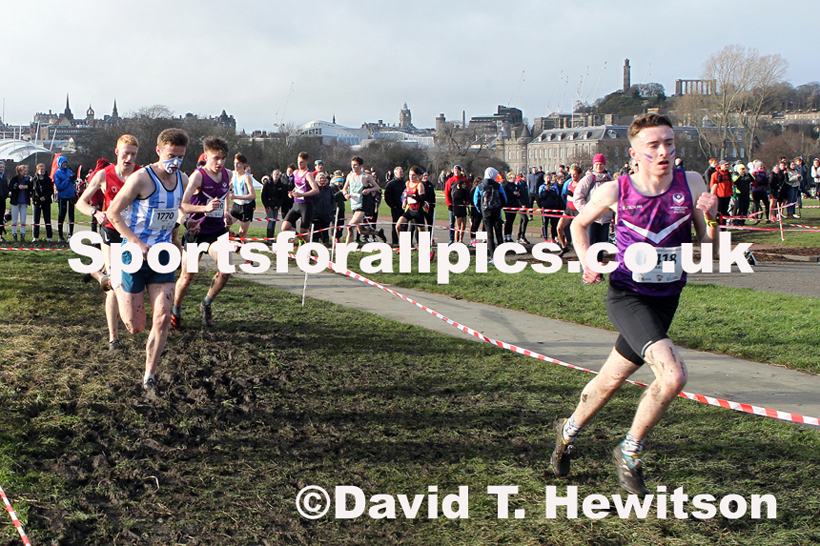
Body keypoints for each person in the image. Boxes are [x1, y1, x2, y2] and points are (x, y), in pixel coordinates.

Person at [553, 114, 719, 497]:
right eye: (654, 146)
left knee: (611, 380)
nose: (664, 152)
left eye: (670, 144)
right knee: (673, 375)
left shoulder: (691, 183)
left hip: (666, 299)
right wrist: (588, 260)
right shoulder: (616, 190)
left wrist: (712, 217)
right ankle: (629, 452)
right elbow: (578, 225)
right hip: (628, 296)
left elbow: (709, 249)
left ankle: (567, 431)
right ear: (635, 153)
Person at [106, 128, 189, 391]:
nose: (175, 162)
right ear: (158, 151)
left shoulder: (183, 179)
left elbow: (178, 210)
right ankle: (114, 283)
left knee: (163, 317)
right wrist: (136, 242)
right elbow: (112, 213)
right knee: (135, 327)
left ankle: (149, 375)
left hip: (162, 256)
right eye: (170, 155)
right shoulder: (141, 179)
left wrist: (188, 224)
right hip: (134, 254)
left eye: (180, 156)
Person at [76, 134, 141, 350]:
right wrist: (95, 213)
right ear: (117, 152)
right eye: (125, 153)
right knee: (114, 284)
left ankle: (96, 273)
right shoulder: (105, 174)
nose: (129, 158)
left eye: (133, 154)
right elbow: (81, 203)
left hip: (134, 234)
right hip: (111, 232)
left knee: (134, 279)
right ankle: (114, 338)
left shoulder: (142, 174)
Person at [170, 136, 235, 330]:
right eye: (216, 158)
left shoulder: (228, 175)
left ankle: (206, 303)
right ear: (206, 156)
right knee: (187, 277)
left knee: (226, 269)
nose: (220, 162)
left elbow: (224, 197)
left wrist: (226, 212)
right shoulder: (198, 176)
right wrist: (204, 209)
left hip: (217, 232)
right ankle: (176, 308)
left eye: (223, 158)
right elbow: (182, 204)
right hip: (197, 231)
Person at [573, 154, 613, 263]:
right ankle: (587, 272)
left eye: (601, 164)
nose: (599, 166)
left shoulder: (610, 180)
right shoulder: (588, 179)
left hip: (605, 220)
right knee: (589, 246)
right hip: (590, 219)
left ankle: (598, 274)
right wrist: (587, 212)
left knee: (600, 247)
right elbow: (577, 197)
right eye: (596, 164)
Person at [342, 156, 379, 245]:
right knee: (361, 231)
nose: (353, 167)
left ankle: (346, 249)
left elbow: (377, 187)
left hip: (363, 205)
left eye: (355, 165)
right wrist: (346, 194)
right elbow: (344, 189)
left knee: (350, 227)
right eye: (352, 165)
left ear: (361, 165)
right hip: (353, 204)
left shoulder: (366, 176)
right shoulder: (350, 175)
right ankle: (377, 233)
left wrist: (369, 190)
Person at [473, 167, 507, 261]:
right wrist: (500, 207)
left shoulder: (480, 186)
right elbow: (504, 198)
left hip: (486, 213)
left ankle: (493, 256)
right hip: (496, 212)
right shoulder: (497, 185)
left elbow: (475, 200)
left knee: (489, 235)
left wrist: (480, 210)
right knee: (499, 234)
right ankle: (501, 255)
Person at [228, 153, 256, 240]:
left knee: (243, 233)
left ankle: (244, 247)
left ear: (244, 164)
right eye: (235, 163)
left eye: (238, 163)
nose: (236, 165)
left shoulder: (247, 177)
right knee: (224, 226)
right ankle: (236, 237)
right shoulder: (233, 174)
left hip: (246, 207)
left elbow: (253, 195)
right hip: (236, 206)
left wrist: (236, 197)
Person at [53, 156, 76, 242]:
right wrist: (68, 180)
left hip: (70, 196)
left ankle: (70, 234)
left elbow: (73, 182)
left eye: (66, 162)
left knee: (71, 216)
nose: (65, 164)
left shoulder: (69, 171)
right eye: (63, 163)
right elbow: (59, 186)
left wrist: (73, 180)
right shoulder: (57, 173)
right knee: (61, 216)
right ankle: (60, 235)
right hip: (63, 197)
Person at [261, 168, 288, 240]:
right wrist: (267, 206)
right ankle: (269, 238)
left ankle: (272, 237)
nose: (276, 175)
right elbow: (263, 196)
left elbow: (282, 197)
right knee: (270, 221)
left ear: (279, 175)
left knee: (274, 221)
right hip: (269, 205)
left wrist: (278, 206)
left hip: (276, 206)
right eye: (275, 174)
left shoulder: (281, 185)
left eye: (277, 174)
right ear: (272, 175)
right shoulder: (267, 184)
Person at [31, 163, 54, 242]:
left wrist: (45, 197)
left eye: (44, 169)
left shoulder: (48, 180)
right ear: (37, 171)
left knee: (47, 219)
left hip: (46, 201)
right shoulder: (34, 180)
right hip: (37, 202)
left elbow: (51, 190)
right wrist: (37, 197)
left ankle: (50, 237)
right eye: (41, 169)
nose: (43, 171)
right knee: (36, 220)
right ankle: (35, 237)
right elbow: (32, 191)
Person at [444, 165, 467, 243]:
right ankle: (451, 239)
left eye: (458, 170)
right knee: (452, 222)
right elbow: (446, 193)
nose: (457, 171)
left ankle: (460, 240)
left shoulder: (464, 180)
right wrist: (449, 203)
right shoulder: (450, 181)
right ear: (453, 171)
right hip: (452, 205)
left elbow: (468, 192)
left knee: (462, 225)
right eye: (455, 170)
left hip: (461, 206)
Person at [8, 165, 31, 242]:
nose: (25, 173)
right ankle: (14, 234)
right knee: (14, 219)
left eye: (26, 171)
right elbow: (10, 188)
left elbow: (31, 188)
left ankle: (22, 235)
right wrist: (17, 187)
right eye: (24, 171)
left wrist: (28, 185)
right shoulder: (14, 179)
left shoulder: (27, 179)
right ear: (20, 171)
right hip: (15, 202)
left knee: (23, 220)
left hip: (24, 202)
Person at [384, 166, 405, 245]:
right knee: (395, 225)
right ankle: (395, 242)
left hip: (404, 208)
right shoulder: (391, 184)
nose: (402, 173)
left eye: (402, 172)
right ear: (396, 173)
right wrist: (393, 206)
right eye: (400, 172)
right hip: (395, 208)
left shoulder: (404, 183)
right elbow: (387, 197)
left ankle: (404, 242)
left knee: (404, 225)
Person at [709, 160, 733, 224]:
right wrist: (714, 195)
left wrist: (731, 193)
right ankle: (718, 226)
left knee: (724, 211)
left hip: (727, 196)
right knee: (718, 212)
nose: (727, 166)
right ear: (721, 166)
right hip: (719, 196)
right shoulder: (715, 174)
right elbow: (712, 186)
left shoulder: (729, 174)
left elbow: (731, 184)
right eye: (725, 165)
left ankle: (723, 227)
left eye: (727, 165)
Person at [450, 175, 470, 243]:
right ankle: (457, 240)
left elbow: (467, 198)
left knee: (464, 226)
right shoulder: (456, 192)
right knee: (458, 226)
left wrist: (467, 202)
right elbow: (456, 199)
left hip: (463, 209)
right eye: (463, 184)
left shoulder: (465, 191)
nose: (464, 186)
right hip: (458, 210)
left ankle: (461, 240)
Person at [0, 160, 7, 241]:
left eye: (2, 167)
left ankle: (0, 236)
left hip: (2, 200)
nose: (1, 168)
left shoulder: (3, 176)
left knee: (1, 218)